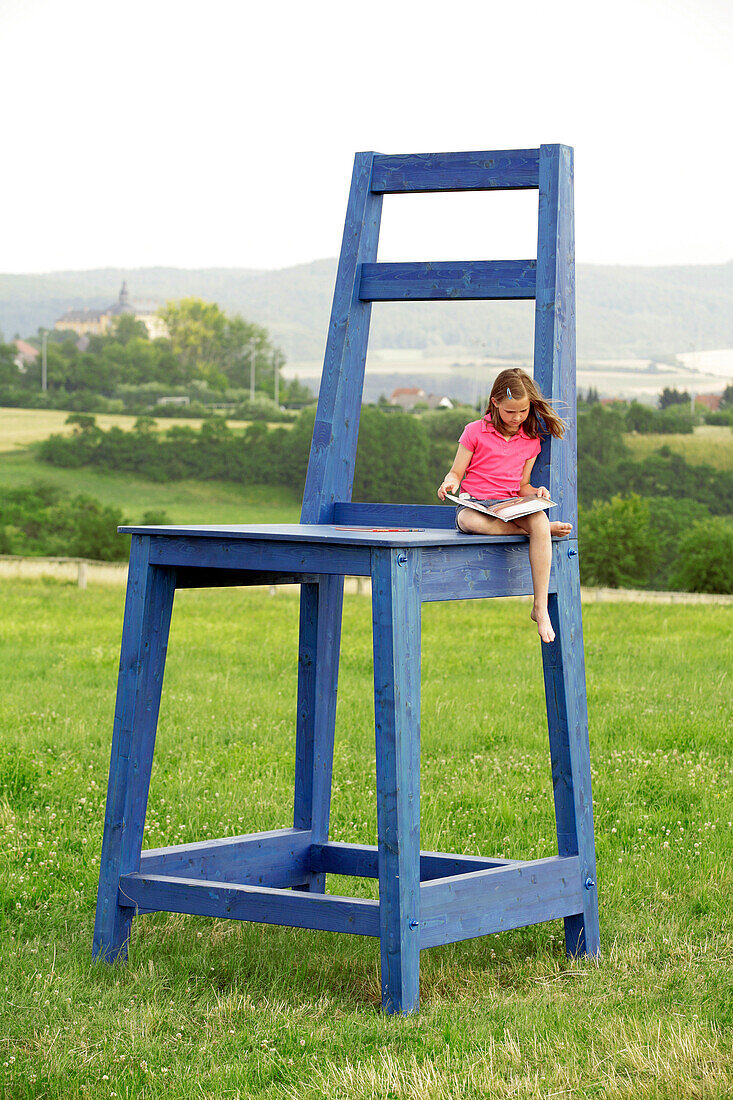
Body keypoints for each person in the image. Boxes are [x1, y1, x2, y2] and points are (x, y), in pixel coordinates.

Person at [437, 368, 572, 644]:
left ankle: (540, 607)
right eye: (511, 412)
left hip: (509, 506)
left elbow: (522, 485)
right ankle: (541, 533)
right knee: (468, 523)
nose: (517, 418)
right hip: (476, 505)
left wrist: (536, 492)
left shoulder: (530, 440)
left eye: (523, 411)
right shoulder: (474, 431)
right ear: (495, 402)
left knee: (538, 518)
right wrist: (449, 483)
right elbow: (456, 473)